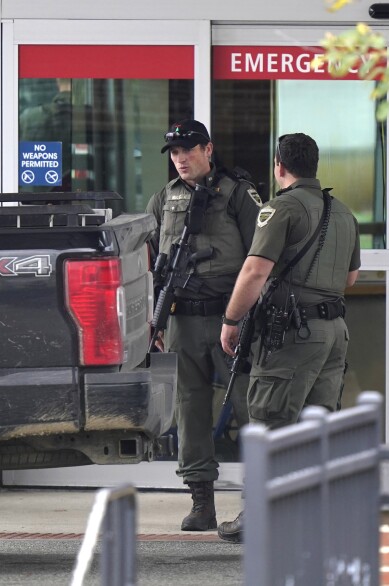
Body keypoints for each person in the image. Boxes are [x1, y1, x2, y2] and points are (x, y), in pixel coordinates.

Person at [217, 132, 361, 543]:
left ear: (278, 166)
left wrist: (231, 319)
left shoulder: (280, 209)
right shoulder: (343, 212)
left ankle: (260, 517)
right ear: (314, 165)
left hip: (293, 332)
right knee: (318, 424)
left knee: (272, 420)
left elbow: (254, 271)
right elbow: (350, 277)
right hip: (334, 332)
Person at [146, 119, 263, 531]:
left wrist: (247, 313)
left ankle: (259, 497)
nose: (180, 159)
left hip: (230, 316)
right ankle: (201, 502)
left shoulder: (237, 193)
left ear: (208, 150)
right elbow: (151, 260)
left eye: (188, 150)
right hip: (183, 318)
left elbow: (260, 256)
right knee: (190, 409)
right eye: (175, 153)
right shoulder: (164, 198)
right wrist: (153, 315)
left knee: (251, 405)